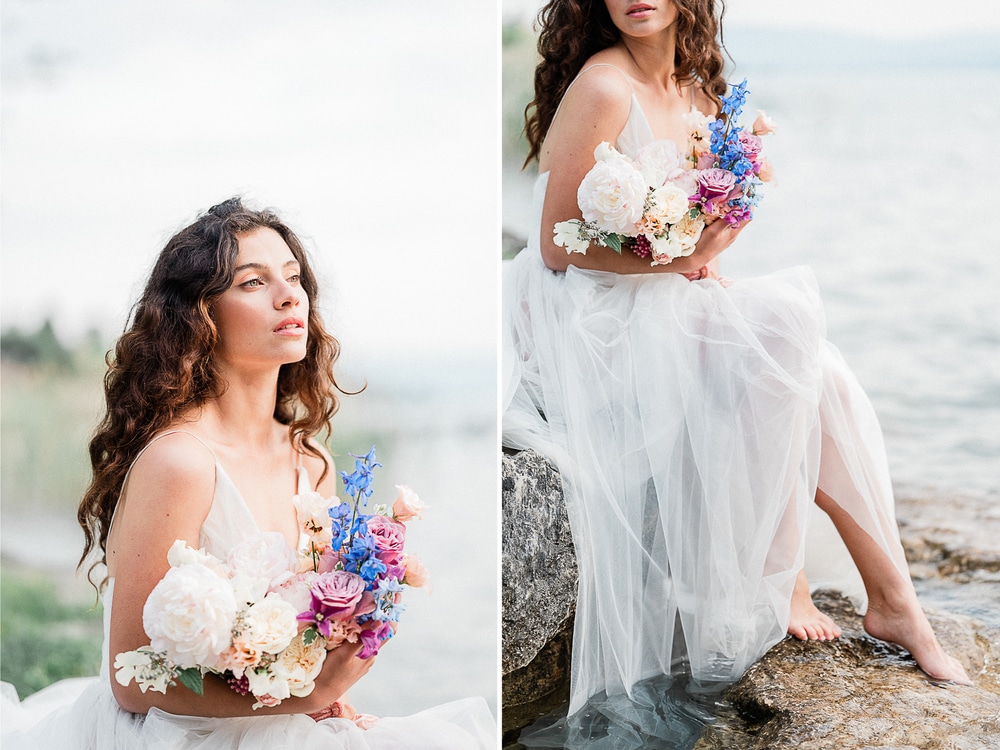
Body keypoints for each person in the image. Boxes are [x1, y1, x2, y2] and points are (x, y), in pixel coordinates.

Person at [502, 0, 970, 731]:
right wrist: (683, 255)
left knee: (813, 363)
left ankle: (884, 601)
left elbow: (702, 233)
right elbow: (559, 246)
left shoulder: (702, 96)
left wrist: (704, 247)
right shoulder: (601, 86)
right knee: (792, 338)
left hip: (658, 292)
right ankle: (814, 584)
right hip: (581, 316)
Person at [1, 198, 496, 749]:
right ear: (199, 314)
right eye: (253, 282)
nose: (290, 295)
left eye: (293, 277)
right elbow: (128, 681)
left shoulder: (314, 463)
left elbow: (306, 632)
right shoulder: (180, 462)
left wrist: (322, 695)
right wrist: (299, 698)